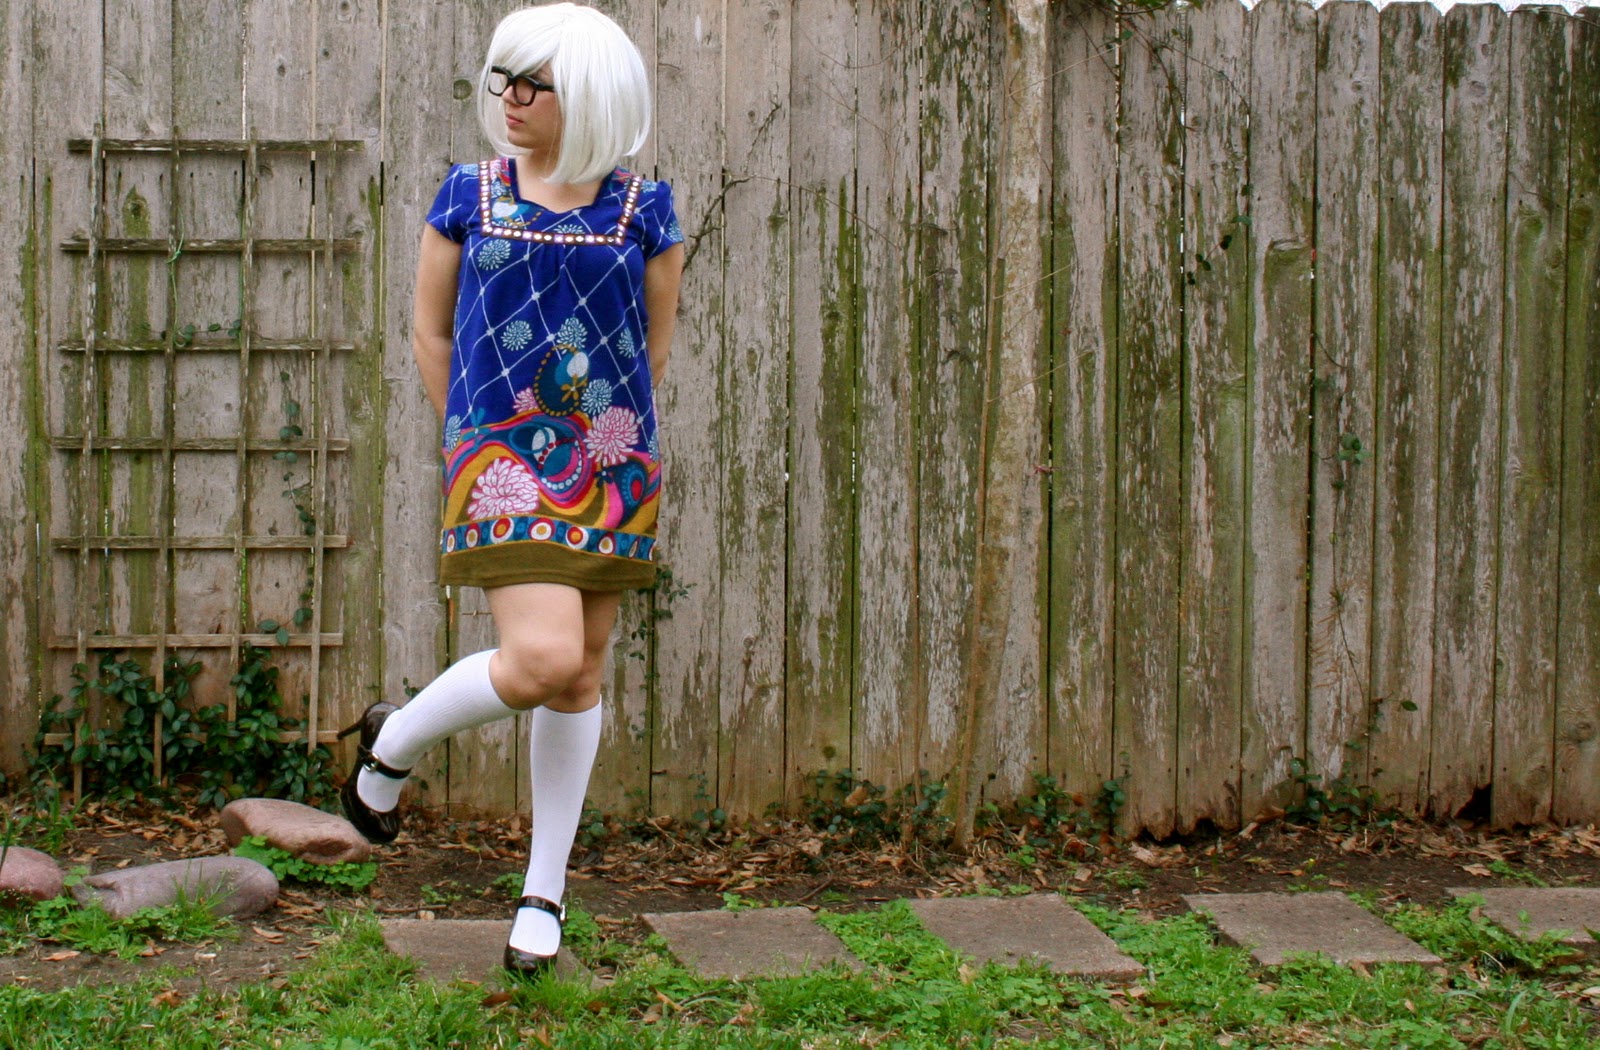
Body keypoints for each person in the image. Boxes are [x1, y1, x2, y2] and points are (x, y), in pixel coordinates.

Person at [338, 2, 685, 976]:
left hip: (612, 463)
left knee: (579, 674)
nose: (511, 99)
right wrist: (476, 447)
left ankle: (544, 890)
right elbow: (429, 331)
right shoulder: (468, 194)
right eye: (506, 79)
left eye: (535, 83)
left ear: (594, 96)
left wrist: (607, 442)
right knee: (541, 657)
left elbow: (651, 349)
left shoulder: (645, 213)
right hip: (499, 463)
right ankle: (392, 744)